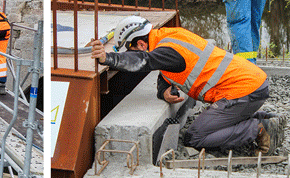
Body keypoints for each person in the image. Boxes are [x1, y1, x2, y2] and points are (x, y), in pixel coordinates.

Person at [88, 16, 282, 153]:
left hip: (242, 92)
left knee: (195, 137)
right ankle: (266, 118)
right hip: (253, 83)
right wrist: (164, 91)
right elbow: (164, 68)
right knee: (213, 123)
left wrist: (108, 58)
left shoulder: (166, 51)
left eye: (131, 50)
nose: (134, 53)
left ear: (140, 44)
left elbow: (144, 61)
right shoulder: (170, 36)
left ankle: (257, 128)